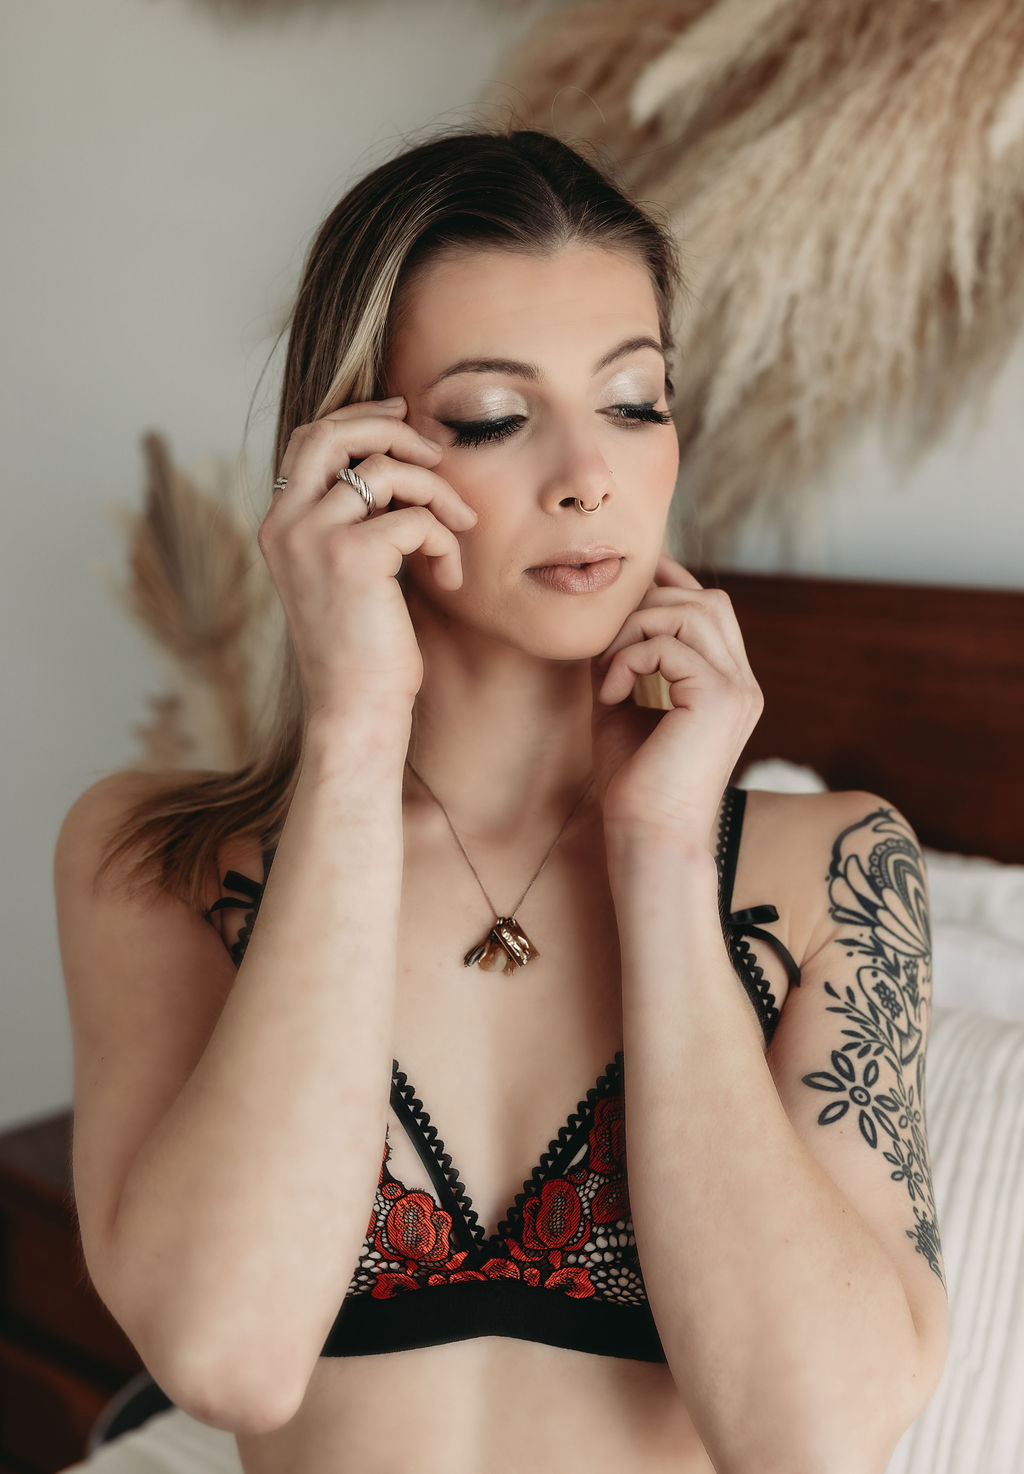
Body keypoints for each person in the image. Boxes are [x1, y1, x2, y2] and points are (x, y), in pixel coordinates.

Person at [54, 127, 949, 1474]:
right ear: (358, 460)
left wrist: (658, 850)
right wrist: (356, 728)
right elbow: (225, 1353)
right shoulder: (158, 857)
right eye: (492, 415)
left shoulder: (833, 871)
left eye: (634, 399)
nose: (588, 472)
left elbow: (813, 1436)